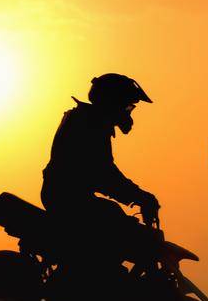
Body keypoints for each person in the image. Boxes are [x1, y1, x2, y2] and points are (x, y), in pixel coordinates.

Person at [40, 73, 159, 265]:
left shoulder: (85, 118)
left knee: (114, 218)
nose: (129, 111)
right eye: (128, 105)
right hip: (69, 199)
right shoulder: (90, 124)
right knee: (121, 233)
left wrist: (137, 195)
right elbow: (103, 175)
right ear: (113, 102)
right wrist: (141, 196)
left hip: (65, 196)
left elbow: (103, 173)